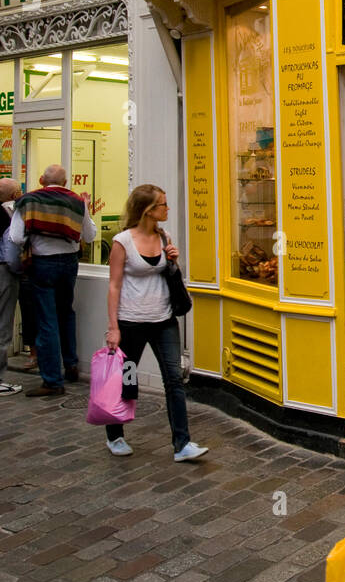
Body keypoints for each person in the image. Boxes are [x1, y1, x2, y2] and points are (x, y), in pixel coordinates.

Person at [104, 184, 207, 463]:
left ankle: (182, 443)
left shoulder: (164, 236)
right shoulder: (123, 241)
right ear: (148, 210)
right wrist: (113, 327)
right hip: (131, 322)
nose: (167, 208)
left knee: (174, 379)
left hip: (164, 319)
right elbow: (114, 286)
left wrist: (174, 262)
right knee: (125, 378)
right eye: (163, 204)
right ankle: (114, 434)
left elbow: (172, 277)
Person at [7, 164, 96, 396]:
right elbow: (90, 235)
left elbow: (15, 237)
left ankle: (52, 380)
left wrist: (35, 235)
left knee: (46, 320)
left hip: (42, 263)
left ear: (41, 179)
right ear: (65, 183)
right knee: (66, 311)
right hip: (69, 263)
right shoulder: (76, 201)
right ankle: (71, 364)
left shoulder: (27, 201)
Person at [0, 180, 23, 396]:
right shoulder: (7, 215)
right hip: (3, 274)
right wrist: (18, 270)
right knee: (3, 326)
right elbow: (10, 250)